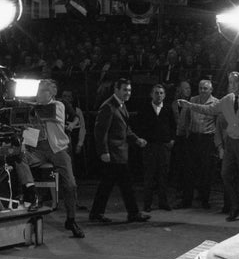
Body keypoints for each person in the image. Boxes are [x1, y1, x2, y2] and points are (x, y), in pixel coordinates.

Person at [178, 72, 239, 222]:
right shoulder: (226, 100)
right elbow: (208, 109)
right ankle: (235, 207)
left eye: (235, 82)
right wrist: (190, 105)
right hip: (231, 142)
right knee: (226, 174)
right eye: (230, 82)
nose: (233, 85)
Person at [14, 80, 85, 238]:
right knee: (18, 156)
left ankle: (71, 219)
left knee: (70, 184)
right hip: (38, 149)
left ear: (51, 93)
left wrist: (22, 104)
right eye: (37, 91)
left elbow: (45, 113)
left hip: (58, 150)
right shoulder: (33, 108)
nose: (38, 94)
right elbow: (26, 127)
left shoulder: (57, 105)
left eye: (41, 91)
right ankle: (30, 190)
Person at [88, 78, 150, 223]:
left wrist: (136, 139)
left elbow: (125, 129)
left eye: (129, 90)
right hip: (114, 153)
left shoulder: (120, 105)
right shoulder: (109, 107)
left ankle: (97, 213)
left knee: (111, 184)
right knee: (122, 184)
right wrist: (103, 151)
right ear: (116, 90)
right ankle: (132, 213)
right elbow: (100, 132)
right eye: (125, 90)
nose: (128, 93)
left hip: (119, 152)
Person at [139, 84, 176, 212]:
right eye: (156, 93)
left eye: (161, 93)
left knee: (163, 175)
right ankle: (147, 204)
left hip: (164, 146)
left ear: (164, 95)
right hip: (149, 146)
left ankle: (163, 202)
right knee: (149, 175)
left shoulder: (167, 108)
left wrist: (171, 140)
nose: (159, 95)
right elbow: (139, 125)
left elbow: (172, 125)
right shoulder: (145, 109)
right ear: (151, 94)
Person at [184, 79, 220, 209]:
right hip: (194, 137)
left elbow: (218, 123)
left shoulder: (216, 103)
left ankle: (204, 200)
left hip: (207, 139)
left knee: (206, 171)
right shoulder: (192, 100)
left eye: (205, 88)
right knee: (189, 170)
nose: (202, 90)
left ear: (211, 90)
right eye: (200, 88)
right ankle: (186, 201)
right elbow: (186, 118)